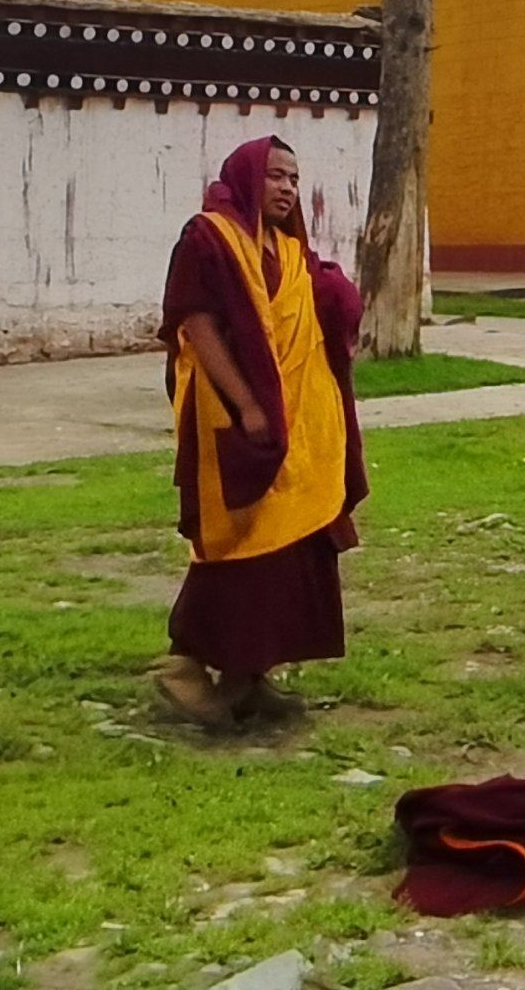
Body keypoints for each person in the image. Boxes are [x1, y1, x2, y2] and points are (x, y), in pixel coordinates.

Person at [150, 134, 368, 729]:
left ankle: (249, 674)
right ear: (247, 176)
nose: (287, 189)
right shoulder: (210, 238)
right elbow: (196, 325)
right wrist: (247, 406)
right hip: (231, 415)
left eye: (295, 180)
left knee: (296, 542)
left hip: (297, 421)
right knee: (240, 537)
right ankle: (185, 667)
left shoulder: (288, 248)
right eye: (276, 176)